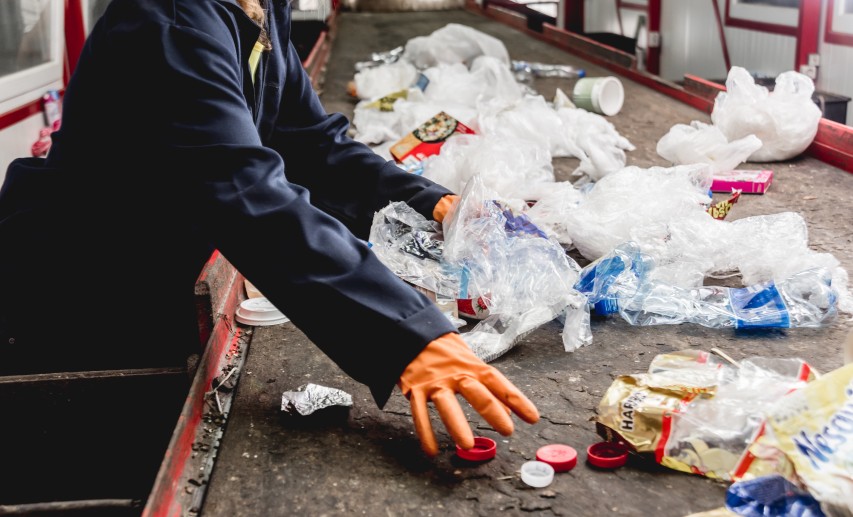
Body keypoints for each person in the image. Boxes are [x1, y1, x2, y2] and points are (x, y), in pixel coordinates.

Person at [0, 0, 538, 457]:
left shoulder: (258, 5)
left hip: (154, 265)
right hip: (74, 290)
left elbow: (309, 142)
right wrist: (407, 333)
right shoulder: (170, 23)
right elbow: (244, 193)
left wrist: (433, 202)